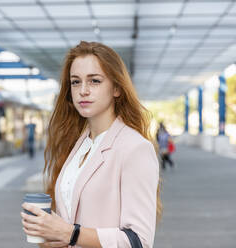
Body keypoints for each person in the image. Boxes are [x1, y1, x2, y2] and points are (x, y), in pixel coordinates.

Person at [21, 41, 161, 248]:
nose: (83, 91)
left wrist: (70, 233)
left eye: (94, 81)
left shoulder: (135, 148)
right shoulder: (79, 144)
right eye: (75, 82)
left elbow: (139, 241)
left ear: (116, 88)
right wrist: (51, 234)